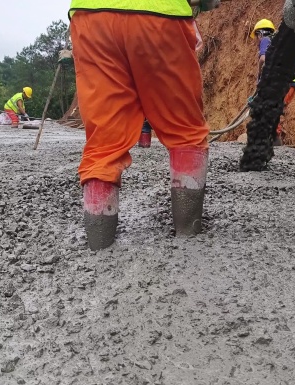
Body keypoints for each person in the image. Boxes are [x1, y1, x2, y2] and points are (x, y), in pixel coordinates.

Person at [69, 0, 220, 250]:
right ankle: (188, 234)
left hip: (91, 17)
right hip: (160, 13)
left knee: (104, 141)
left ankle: (99, 245)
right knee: (184, 129)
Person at [250, 19, 295, 146]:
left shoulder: (265, 40)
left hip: (285, 83)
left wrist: (259, 76)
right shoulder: (277, 42)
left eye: (256, 36)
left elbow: (263, 58)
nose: (257, 40)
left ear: (260, 33)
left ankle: (274, 143)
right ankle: (273, 141)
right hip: (290, 82)